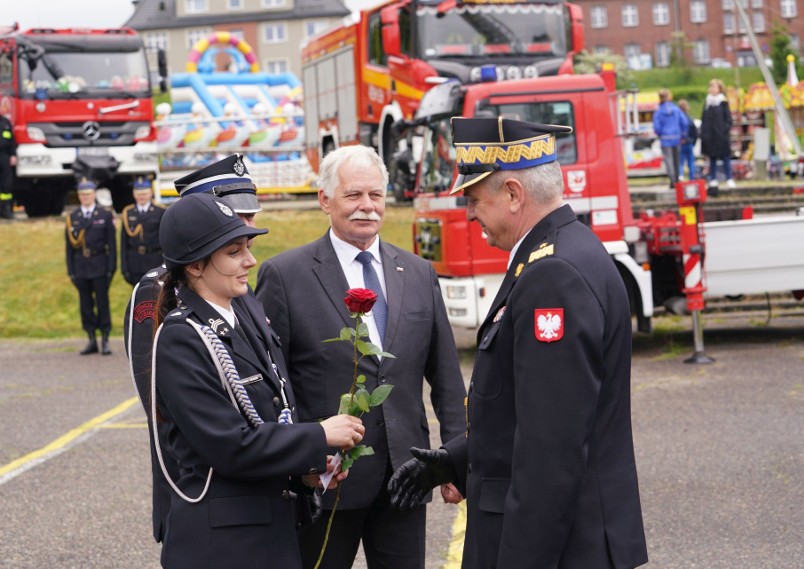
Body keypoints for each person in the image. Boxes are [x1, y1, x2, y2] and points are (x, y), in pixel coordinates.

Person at [388, 117, 648, 569]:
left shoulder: (553, 275)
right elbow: (530, 412)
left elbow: (550, 450)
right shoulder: (564, 250)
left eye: (474, 199)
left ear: (513, 193)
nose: (469, 214)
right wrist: (454, 460)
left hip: (562, 549)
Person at [255, 145, 467, 569]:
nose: (367, 207)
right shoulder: (286, 275)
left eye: (376, 195)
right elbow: (272, 383)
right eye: (354, 195)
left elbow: (445, 374)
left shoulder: (419, 273)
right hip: (327, 477)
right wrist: (303, 458)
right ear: (325, 199)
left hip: (406, 475)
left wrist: (458, 457)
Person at [152, 191, 364, 568]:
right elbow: (230, 445)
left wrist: (307, 470)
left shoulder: (240, 319)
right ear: (196, 266)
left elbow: (271, 414)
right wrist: (319, 434)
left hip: (266, 534)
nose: (250, 260)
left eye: (247, 248)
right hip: (224, 546)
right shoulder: (182, 337)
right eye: (234, 252)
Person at [123, 153, 266, 544]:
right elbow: (159, 396)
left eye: (252, 216)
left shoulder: (235, 281)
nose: (249, 226)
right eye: (238, 215)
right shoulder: (157, 289)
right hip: (197, 483)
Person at [66, 178, 116, 356]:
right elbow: (69, 248)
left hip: (100, 265)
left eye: (88, 194)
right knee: (85, 305)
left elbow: (111, 245)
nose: (85, 197)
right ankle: (91, 338)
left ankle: (105, 338)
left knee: (102, 303)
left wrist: (112, 268)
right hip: (81, 267)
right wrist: (71, 271)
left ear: (94, 194)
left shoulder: (104, 215)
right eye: (82, 194)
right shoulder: (73, 217)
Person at [120, 176, 165, 285]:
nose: (141, 196)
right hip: (134, 263)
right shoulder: (128, 212)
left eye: (144, 193)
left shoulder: (160, 211)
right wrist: (125, 268)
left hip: (155, 261)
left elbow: (165, 241)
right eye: (138, 194)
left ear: (151, 193)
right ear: (134, 194)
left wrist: (165, 265)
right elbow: (123, 244)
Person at [700, 78, 735, 191]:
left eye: (714, 87)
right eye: (710, 87)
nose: (712, 89)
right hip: (710, 137)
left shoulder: (723, 102)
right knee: (712, 159)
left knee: (725, 158)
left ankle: (729, 178)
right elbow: (704, 119)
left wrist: (724, 131)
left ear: (720, 89)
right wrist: (704, 133)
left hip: (721, 136)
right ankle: (713, 179)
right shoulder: (707, 103)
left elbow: (728, 120)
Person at [652, 88, 689, 189]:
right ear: (669, 97)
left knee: (668, 160)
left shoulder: (659, 112)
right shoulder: (676, 109)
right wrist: (683, 135)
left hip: (665, 138)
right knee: (677, 160)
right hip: (676, 138)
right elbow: (685, 122)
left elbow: (656, 127)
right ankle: (677, 179)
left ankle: (672, 181)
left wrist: (660, 134)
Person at [678, 99, 699, 181]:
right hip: (690, 143)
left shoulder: (678, 119)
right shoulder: (690, 118)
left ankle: (681, 176)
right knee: (691, 162)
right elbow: (695, 132)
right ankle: (691, 178)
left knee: (681, 162)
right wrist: (693, 142)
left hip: (681, 143)